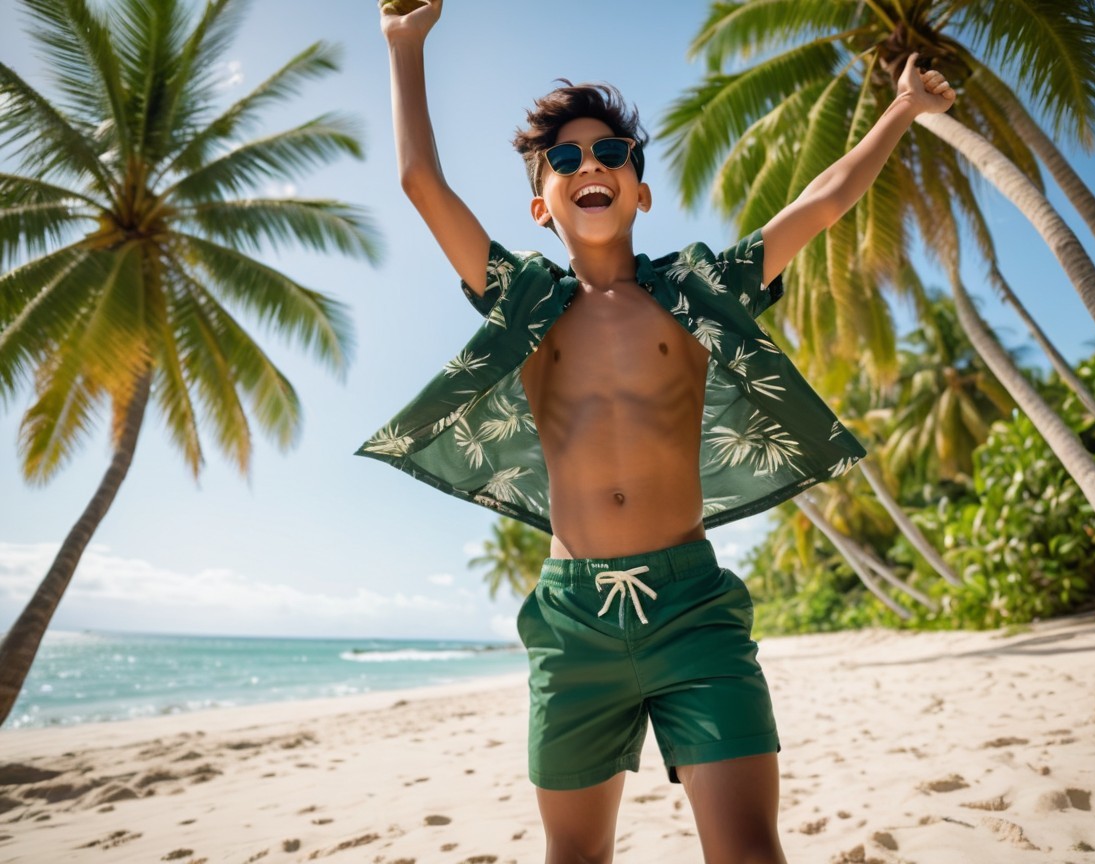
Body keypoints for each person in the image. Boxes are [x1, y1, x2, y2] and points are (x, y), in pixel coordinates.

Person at [362, 2, 956, 861]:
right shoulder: (525, 301)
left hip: (693, 611)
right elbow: (422, 184)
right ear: (541, 206)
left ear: (640, 189)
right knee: (576, 856)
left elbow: (822, 204)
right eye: (566, 158)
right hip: (572, 624)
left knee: (749, 849)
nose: (590, 163)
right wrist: (404, 47)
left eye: (611, 153)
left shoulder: (699, 290)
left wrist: (902, 109)